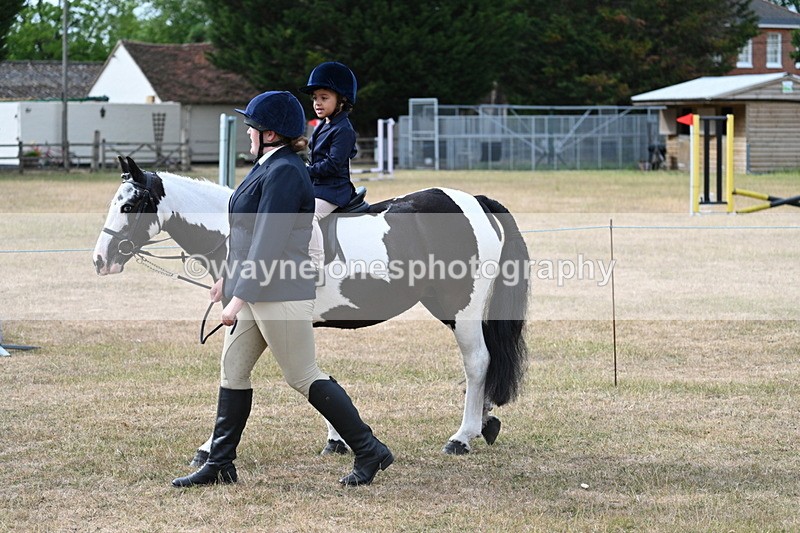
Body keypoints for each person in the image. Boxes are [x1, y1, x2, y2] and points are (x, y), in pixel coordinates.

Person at [171, 91, 393, 488]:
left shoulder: (286, 172)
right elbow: (247, 234)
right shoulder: (267, 165)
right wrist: (228, 276)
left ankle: (369, 449)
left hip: (282, 289)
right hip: (254, 287)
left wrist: (237, 298)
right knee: (233, 371)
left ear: (270, 133)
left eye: (251, 127)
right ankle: (221, 462)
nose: (247, 132)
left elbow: (270, 240)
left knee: (302, 374)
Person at [299, 61, 358, 268]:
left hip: (334, 190)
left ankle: (315, 266)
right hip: (318, 187)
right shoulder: (323, 125)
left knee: (308, 216)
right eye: (315, 98)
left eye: (324, 98)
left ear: (341, 100)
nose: (317, 103)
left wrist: (304, 172)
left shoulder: (343, 129)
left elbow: (332, 165)